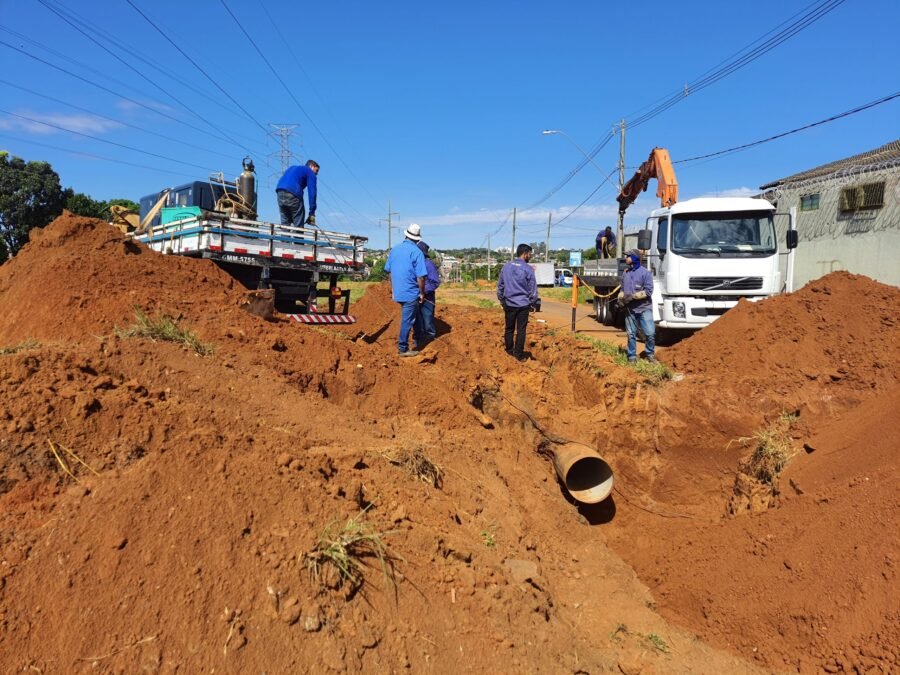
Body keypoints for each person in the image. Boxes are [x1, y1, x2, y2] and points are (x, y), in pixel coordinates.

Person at [384, 223, 427, 357]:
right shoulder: (417, 252)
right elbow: (421, 277)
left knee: (414, 316)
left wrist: (393, 287)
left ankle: (418, 339)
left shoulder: (395, 250)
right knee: (407, 320)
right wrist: (421, 293)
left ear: (406, 235)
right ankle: (403, 348)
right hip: (410, 292)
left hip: (398, 291)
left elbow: (389, 272)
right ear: (417, 239)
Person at [497, 243, 538, 361]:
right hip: (523, 304)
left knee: (509, 328)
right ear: (525, 254)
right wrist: (533, 302)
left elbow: (500, 286)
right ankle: (518, 355)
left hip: (509, 303)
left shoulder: (506, 267)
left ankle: (509, 352)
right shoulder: (528, 269)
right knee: (521, 330)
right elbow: (533, 289)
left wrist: (502, 300)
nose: (530, 256)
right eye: (529, 254)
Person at [618, 249, 656, 363]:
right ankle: (631, 357)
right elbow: (622, 289)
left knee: (650, 333)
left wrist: (633, 297)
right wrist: (621, 298)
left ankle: (650, 355)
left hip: (645, 308)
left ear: (634, 258)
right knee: (631, 334)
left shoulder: (645, 273)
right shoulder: (626, 273)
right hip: (630, 309)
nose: (626, 258)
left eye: (628, 256)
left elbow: (648, 291)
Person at [275, 159, 319, 228]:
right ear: (312, 166)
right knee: (298, 223)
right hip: (293, 193)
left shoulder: (292, 168)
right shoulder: (310, 172)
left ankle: (284, 238)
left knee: (285, 224)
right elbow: (312, 193)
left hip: (280, 192)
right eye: (316, 171)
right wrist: (312, 213)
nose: (316, 174)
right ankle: (298, 237)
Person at [415, 240, 441, 344]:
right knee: (417, 321)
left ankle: (430, 341)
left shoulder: (428, 264)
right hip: (415, 297)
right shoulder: (414, 264)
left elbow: (435, 282)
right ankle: (418, 342)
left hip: (427, 298)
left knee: (427, 320)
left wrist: (423, 290)